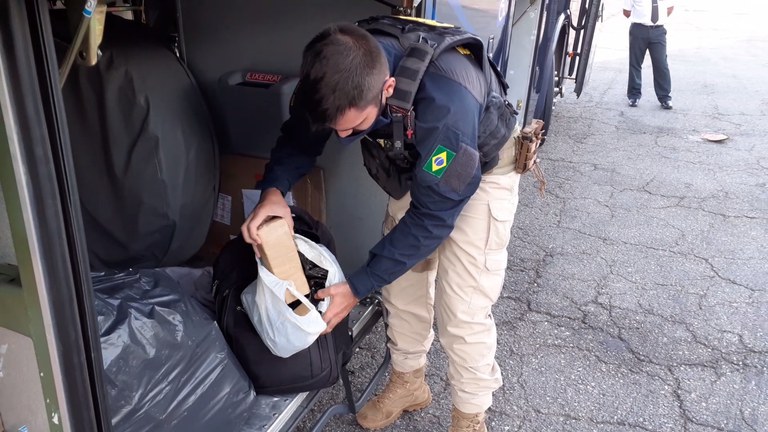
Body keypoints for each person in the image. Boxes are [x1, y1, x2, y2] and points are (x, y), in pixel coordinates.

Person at [242, 19, 521, 432]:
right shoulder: (330, 76)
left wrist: (357, 286)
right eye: (333, 129)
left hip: (474, 161)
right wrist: (273, 192)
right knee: (401, 285)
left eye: (353, 128)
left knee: (462, 307)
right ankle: (409, 382)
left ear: (387, 89)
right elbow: (301, 137)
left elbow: (433, 216)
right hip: (418, 162)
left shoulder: (448, 105)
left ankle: (469, 415)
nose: (340, 137)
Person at [623, 0, 674, 109]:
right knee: (635, 63)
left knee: (661, 64)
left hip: (658, 31)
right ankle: (634, 96)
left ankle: (665, 97)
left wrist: (657, 21)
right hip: (638, 29)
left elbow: (670, 8)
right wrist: (641, 18)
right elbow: (626, 11)